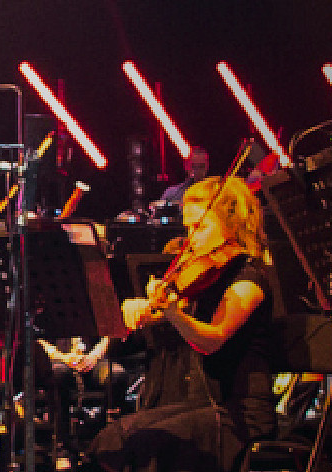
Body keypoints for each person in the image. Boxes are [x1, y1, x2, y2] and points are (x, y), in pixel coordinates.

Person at [89, 175, 276, 472]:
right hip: (201, 405)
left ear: (232, 223)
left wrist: (174, 312)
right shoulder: (201, 275)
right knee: (112, 439)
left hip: (236, 412)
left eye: (200, 227)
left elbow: (213, 338)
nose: (191, 238)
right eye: (188, 228)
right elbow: (162, 317)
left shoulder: (248, 279)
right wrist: (138, 309)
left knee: (142, 443)